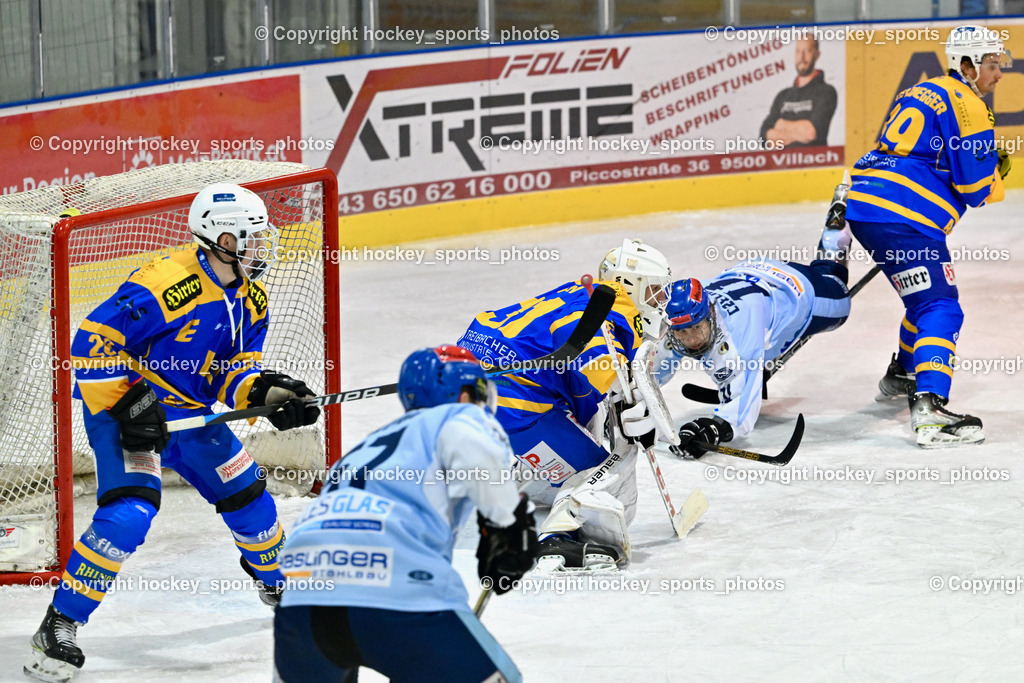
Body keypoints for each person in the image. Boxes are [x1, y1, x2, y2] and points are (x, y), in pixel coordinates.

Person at [25, 184, 320, 682]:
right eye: (252, 236)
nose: (262, 246)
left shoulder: (252, 295)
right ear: (220, 236)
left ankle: (278, 587)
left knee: (252, 500)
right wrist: (129, 405)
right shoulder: (166, 283)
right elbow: (91, 342)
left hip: (192, 417)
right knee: (129, 514)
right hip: (126, 411)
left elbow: (231, 373)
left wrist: (267, 396)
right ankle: (59, 624)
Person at [273, 346, 537, 683]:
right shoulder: (461, 416)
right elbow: (483, 464)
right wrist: (509, 523)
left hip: (302, 602)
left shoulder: (366, 447)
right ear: (465, 392)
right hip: (399, 594)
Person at [457, 238, 673, 571]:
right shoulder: (614, 309)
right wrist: (636, 409)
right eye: (655, 291)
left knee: (582, 411)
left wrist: (624, 398)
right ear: (630, 284)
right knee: (616, 470)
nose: (660, 301)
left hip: (467, 380)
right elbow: (601, 365)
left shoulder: (578, 291)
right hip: (509, 400)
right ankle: (562, 535)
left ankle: (533, 479)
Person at [844, 25, 1010, 448]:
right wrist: (995, 173)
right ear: (967, 65)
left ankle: (904, 372)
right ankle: (932, 409)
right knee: (941, 305)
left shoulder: (921, 90)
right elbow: (974, 190)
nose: (999, 73)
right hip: (903, 218)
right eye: (992, 64)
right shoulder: (971, 104)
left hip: (864, 206)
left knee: (921, 297)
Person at [654, 258, 850, 457]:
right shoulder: (677, 318)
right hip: (749, 269)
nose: (691, 339)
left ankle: (835, 238)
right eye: (682, 332)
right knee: (748, 358)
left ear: (711, 312)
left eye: (696, 328)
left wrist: (711, 430)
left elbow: (741, 414)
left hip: (798, 289)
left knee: (841, 297)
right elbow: (647, 375)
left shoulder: (739, 340)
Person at [760, 37, 838, 148]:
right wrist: (798, 134)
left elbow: (811, 133)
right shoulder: (783, 96)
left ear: (817, 54)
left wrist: (780, 125)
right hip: (783, 164)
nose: (801, 57)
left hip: (815, 163)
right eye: (798, 51)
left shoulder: (826, 92)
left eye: (807, 51)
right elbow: (764, 136)